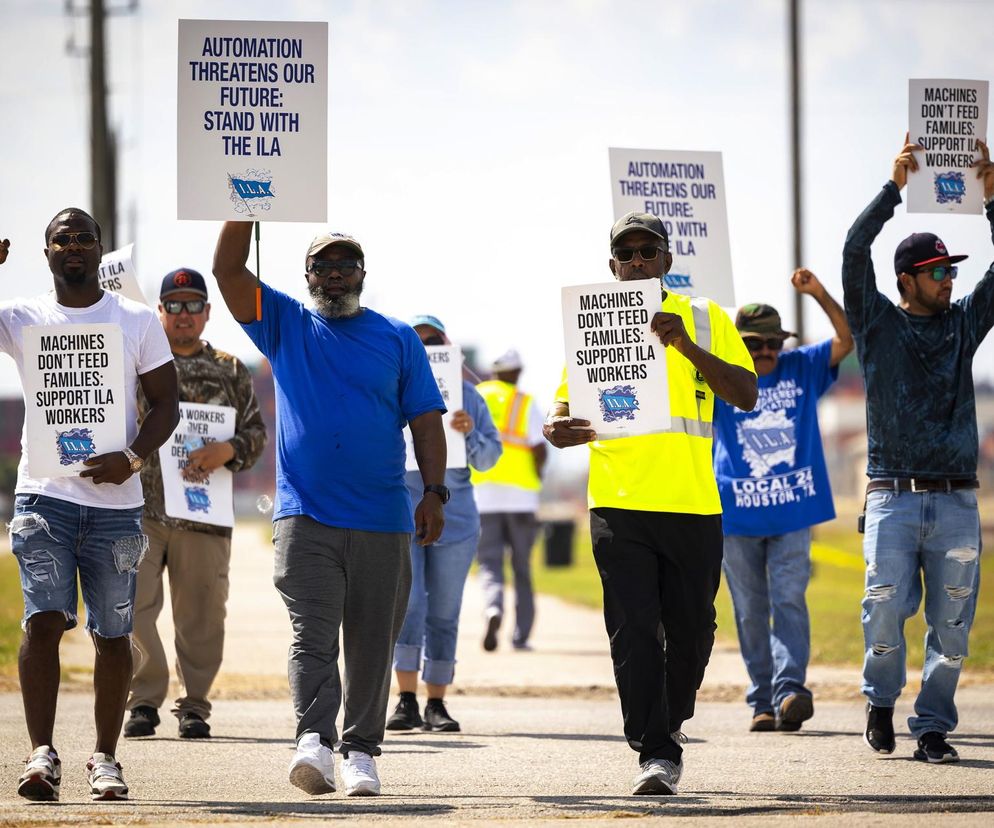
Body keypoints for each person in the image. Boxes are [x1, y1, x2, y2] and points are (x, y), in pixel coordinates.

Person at [212, 223, 447, 797]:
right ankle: (314, 743)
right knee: (311, 635)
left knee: (372, 642)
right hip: (305, 516)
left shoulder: (396, 337)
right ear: (308, 276)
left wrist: (435, 492)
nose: (335, 271)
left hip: (383, 518)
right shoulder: (287, 325)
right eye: (323, 264)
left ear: (363, 274)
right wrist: (246, 205)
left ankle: (361, 751)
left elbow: (425, 420)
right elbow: (228, 272)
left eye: (347, 263)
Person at [544, 212, 757, 796]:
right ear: (612, 266)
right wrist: (555, 429)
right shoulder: (592, 324)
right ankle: (654, 752)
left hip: (692, 505)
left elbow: (744, 394)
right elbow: (562, 412)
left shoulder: (708, 318)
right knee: (634, 629)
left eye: (647, 251)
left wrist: (684, 343)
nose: (636, 261)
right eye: (625, 253)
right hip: (618, 505)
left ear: (667, 260)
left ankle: (670, 722)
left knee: (692, 631)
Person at [0, 211, 178, 801]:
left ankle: (105, 758)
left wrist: (129, 458)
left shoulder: (134, 320)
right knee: (43, 622)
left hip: (116, 505)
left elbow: (166, 404)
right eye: (61, 239)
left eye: (83, 238)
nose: (72, 246)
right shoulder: (22, 318)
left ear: (99, 250)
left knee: (112, 633)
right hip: (44, 498)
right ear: (45, 252)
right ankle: (41, 754)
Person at [843, 137, 994, 764]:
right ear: (907, 280)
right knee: (882, 611)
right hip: (892, 499)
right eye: (937, 271)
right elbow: (855, 251)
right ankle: (880, 703)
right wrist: (893, 189)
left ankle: (932, 726)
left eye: (952, 270)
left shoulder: (962, 325)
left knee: (952, 630)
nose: (948, 278)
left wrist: (993, 199)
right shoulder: (877, 326)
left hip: (957, 501)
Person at [124, 267, 267, 740]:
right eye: (174, 305)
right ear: (159, 311)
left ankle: (195, 706)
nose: (184, 315)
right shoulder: (136, 363)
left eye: (193, 305)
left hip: (204, 515)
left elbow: (256, 434)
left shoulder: (229, 369)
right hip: (139, 509)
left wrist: (227, 450)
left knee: (202, 616)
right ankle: (143, 701)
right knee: (133, 608)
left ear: (207, 313)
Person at [712, 272, 853, 733]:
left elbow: (846, 339)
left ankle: (791, 690)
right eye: (754, 345)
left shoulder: (802, 367)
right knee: (750, 610)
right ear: (738, 347)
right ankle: (762, 700)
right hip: (735, 514)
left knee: (789, 599)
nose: (766, 352)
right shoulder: (719, 377)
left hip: (794, 512)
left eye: (772, 343)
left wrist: (818, 294)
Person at [386, 315, 502, 733]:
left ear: (447, 344)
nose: (426, 348)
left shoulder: (470, 396)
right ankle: (405, 700)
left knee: (444, 610)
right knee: (409, 604)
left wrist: (469, 434)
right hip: (403, 512)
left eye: (432, 340)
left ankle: (437, 702)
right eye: (417, 343)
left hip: (457, 519)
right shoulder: (391, 387)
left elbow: (490, 458)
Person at [471, 349, 547, 651]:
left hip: (483, 498)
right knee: (522, 569)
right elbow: (539, 448)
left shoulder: (475, 396)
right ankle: (521, 636)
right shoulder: (524, 402)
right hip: (522, 500)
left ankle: (493, 609)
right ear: (516, 372)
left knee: (489, 564)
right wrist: (538, 476)